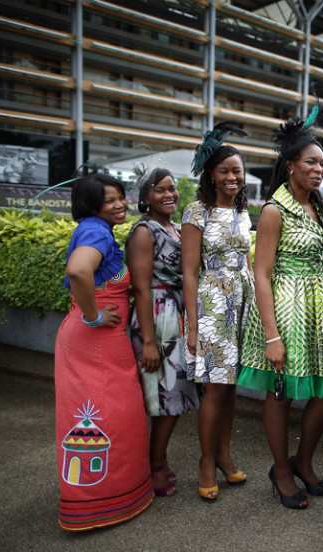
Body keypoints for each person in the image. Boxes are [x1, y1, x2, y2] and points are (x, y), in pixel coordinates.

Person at [237, 105, 323, 510]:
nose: (319, 170)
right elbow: (260, 273)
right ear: (290, 166)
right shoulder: (272, 210)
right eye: (311, 162)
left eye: (322, 164)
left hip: (319, 315)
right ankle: (281, 469)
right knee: (280, 394)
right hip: (285, 312)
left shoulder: (317, 207)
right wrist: (271, 336)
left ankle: (303, 460)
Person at [54, 173, 154, 530]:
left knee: (111, 418)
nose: (120, 204)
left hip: (97, 342)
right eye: (109, 199)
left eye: (121, 197)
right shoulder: (95, 231)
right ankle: (97, 503)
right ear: (91, 204)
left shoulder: (97, 229)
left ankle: (110, 498)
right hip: (94, 340)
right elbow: (79, 271)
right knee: (102, 420)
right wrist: (94, 316)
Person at [182, 122, 254, 501]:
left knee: (229, 388)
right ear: (211, 173)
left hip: (242, 303)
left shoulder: (243, 210)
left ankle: (225, 457)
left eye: (237, 170)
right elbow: (190, 272)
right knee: (215, 389)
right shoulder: (197, 211)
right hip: (212, 303)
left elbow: (249, 260)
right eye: (225, 170)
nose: (232, 177)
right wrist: (193, 326)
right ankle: (206, 460)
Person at [126, 165, 202, 498]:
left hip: (177, 314)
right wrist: (150, 344)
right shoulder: (144, 231)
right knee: (164, 400)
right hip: (157, 318)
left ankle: (155, 459)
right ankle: (153, 464)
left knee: (172, 398)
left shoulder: (172, 227)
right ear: (145, 198)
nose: (169, 194)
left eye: (172, 188)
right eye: (160, 190)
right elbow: (141, 289)